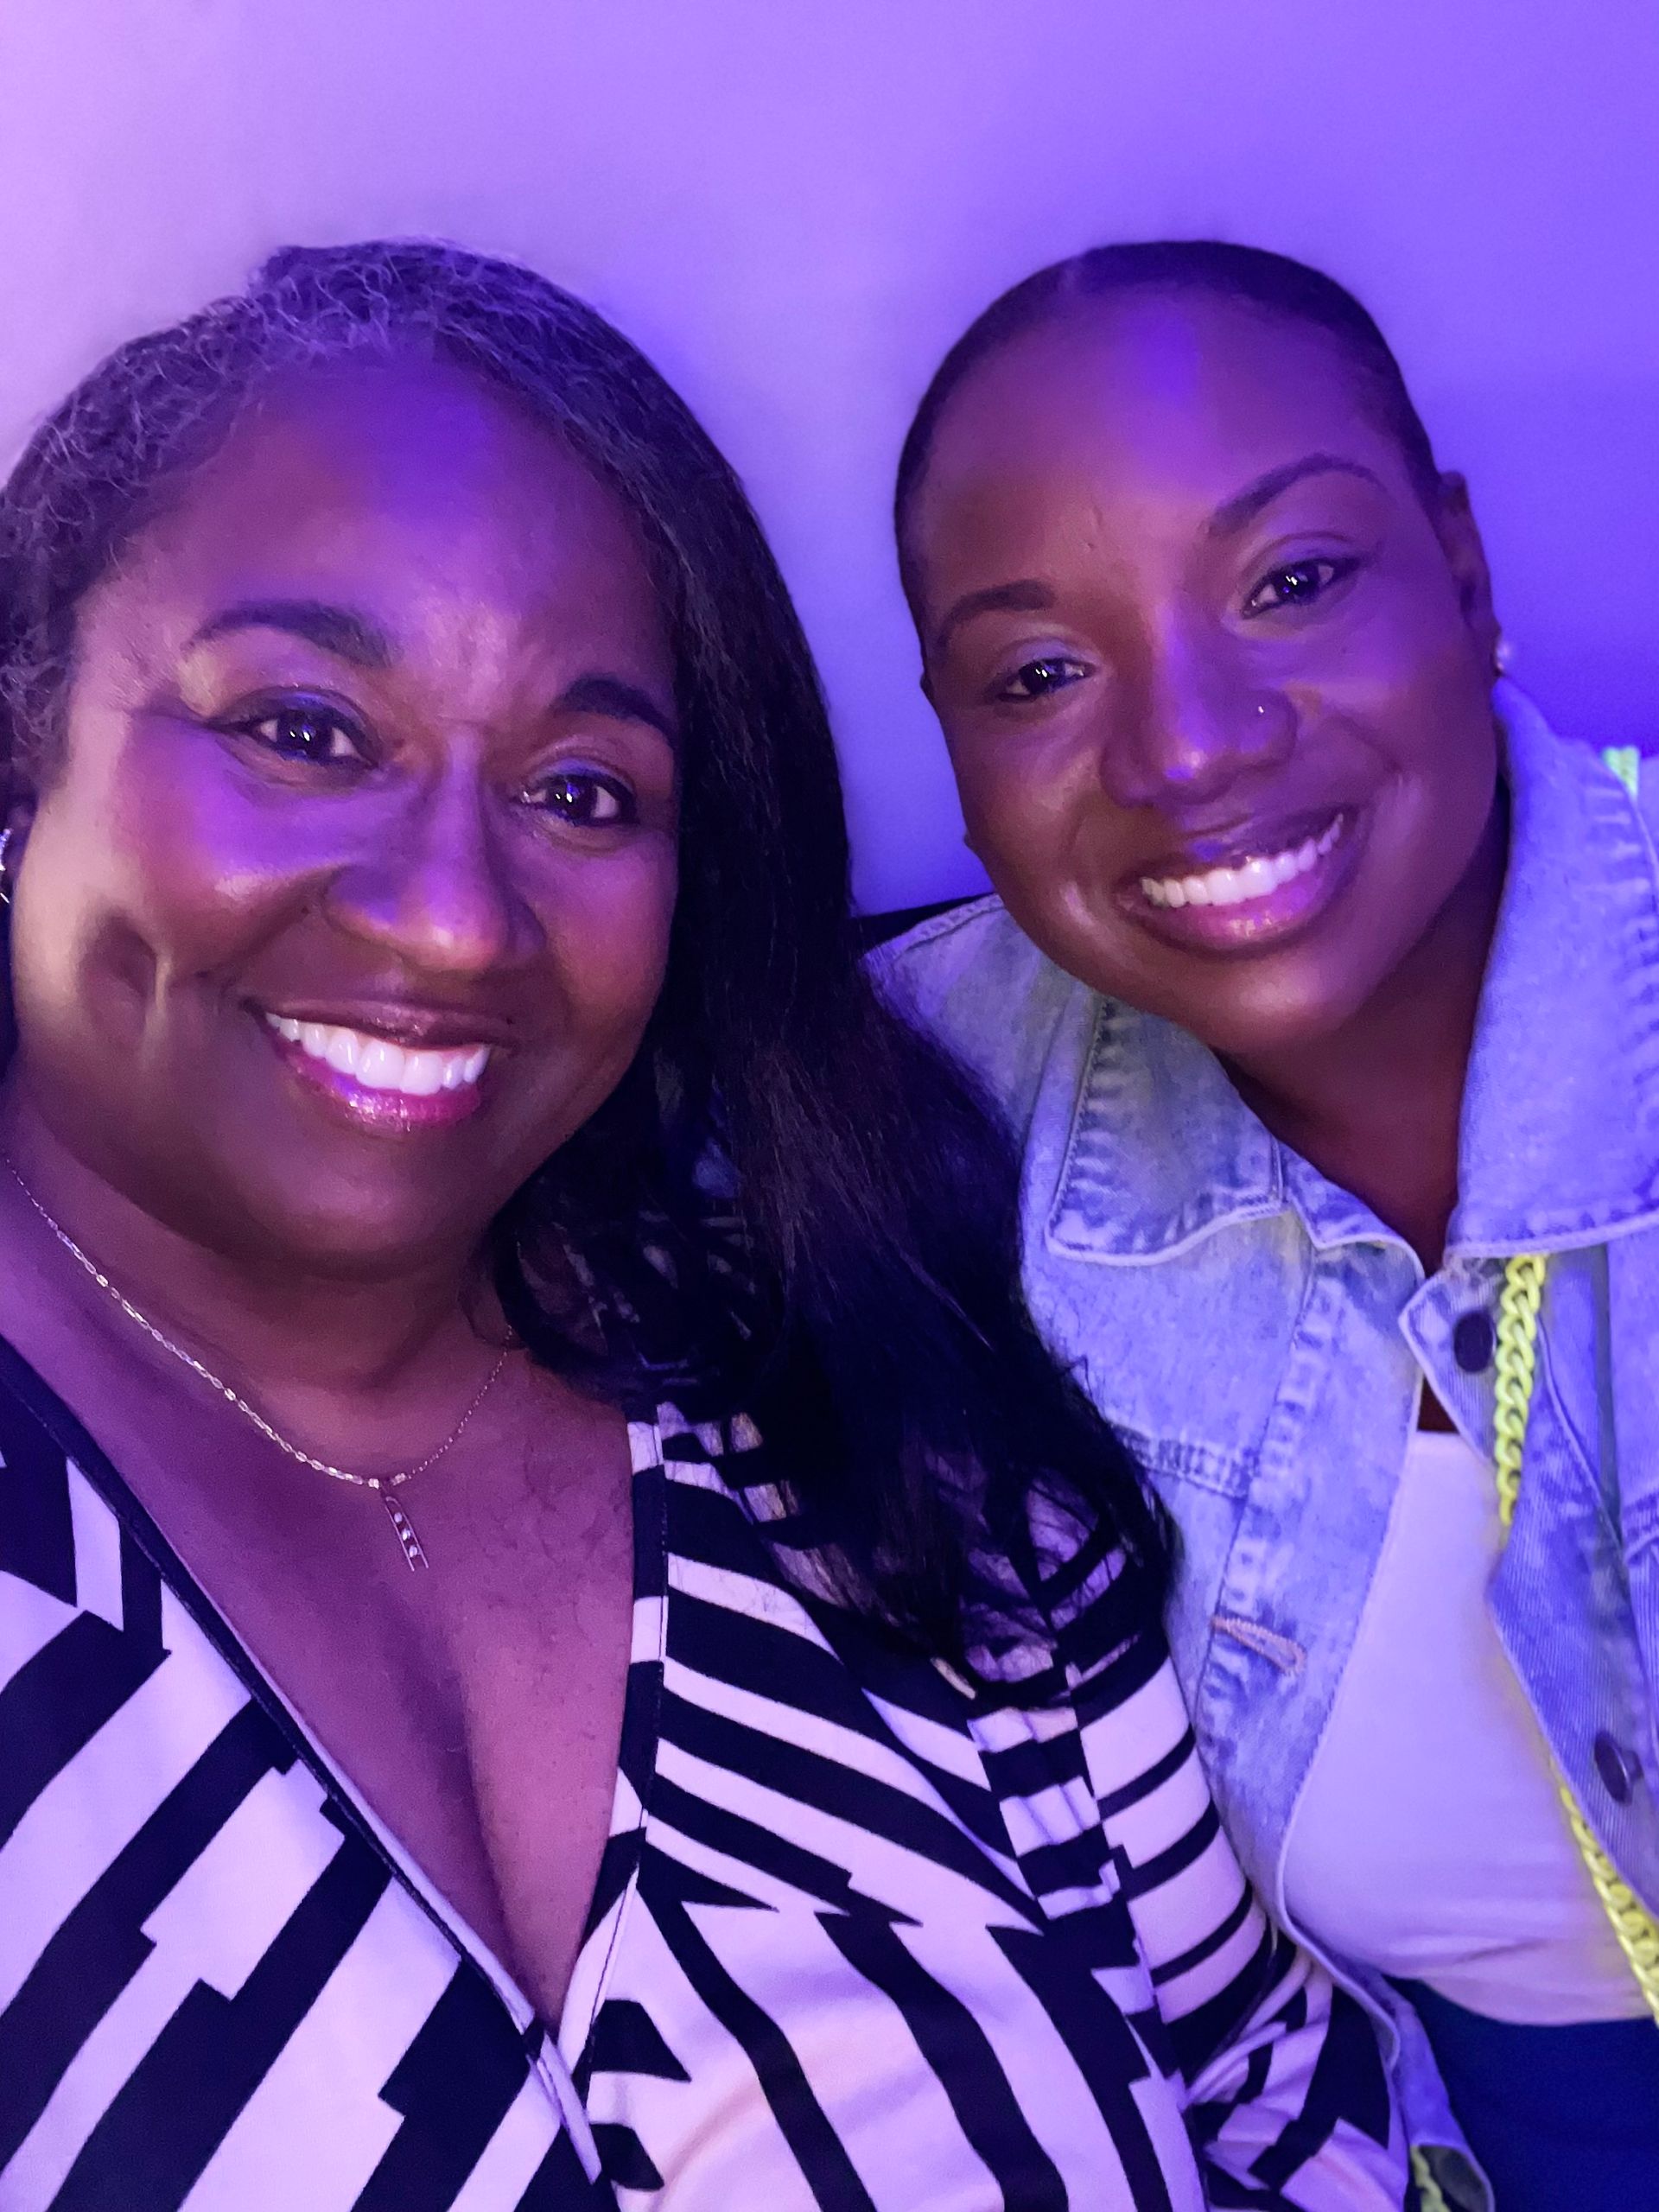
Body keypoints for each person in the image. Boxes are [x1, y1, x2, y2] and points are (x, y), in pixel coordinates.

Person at [0, 241, 1402, 2211]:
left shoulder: (852, 1389)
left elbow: (1279, 2099)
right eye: (307, 730)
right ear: (24, 745)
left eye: (583, 789)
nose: (453, 916)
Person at [878, 237, 1659, 2210]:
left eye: (1292, 582)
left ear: (1464, 575)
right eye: (1041, 672)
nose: (1191, 747)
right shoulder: (931, 1094)